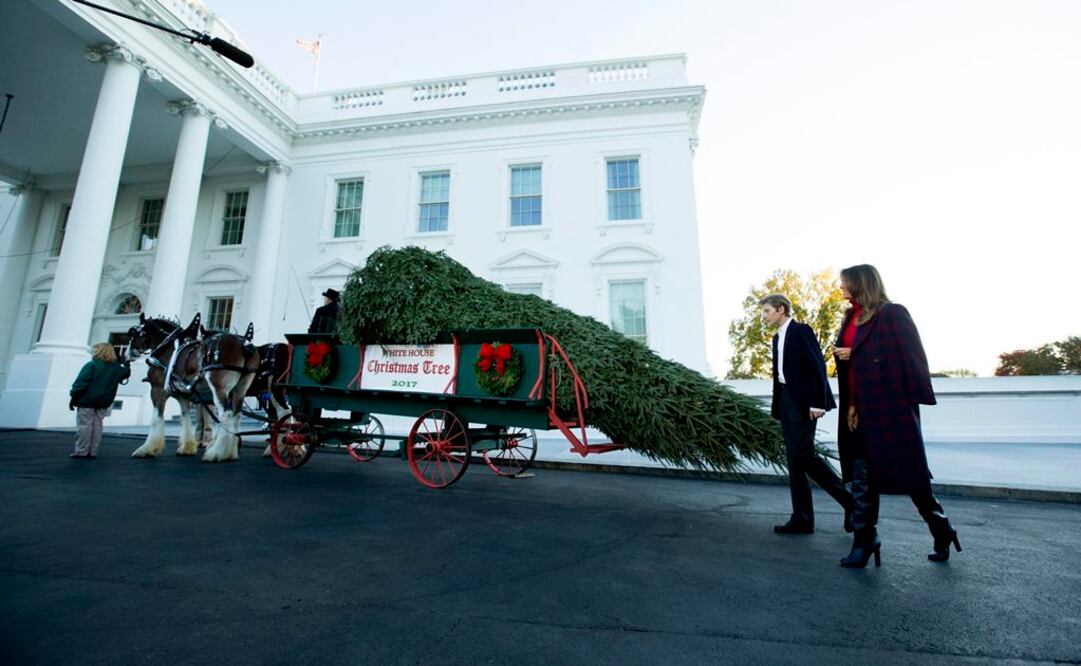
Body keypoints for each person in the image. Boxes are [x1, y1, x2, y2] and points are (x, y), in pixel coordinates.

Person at [832, 264, 961, 567]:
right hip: (859, 409)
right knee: (861, 478)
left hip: (890, 411)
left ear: (861, 283)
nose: (840, 287)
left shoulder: (892, 313)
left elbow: (909, 357)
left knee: (914, 480)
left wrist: (855, 353)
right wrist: (851, 404)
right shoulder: (850, 317)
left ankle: (942, 530)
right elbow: (853, 368)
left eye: (844, 282)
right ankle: (864, 540)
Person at [760, 294, 853, 535]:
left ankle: (851, 502)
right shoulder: (776, 338)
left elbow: (817, 366)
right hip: (785, 401)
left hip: (803, 402)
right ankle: (802, 518)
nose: (764, 316)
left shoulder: (802, 331)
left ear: (781, 309)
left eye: (767, 311)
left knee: (803, 454)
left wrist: (817, 402)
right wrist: (779, 405)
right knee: (794, 459)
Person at [69, 342, 131, 458]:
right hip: (104, 402)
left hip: (87, 401)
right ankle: (93, 451)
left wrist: (73, 397)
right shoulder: (116, 368)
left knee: (84, 426)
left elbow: (81, 383)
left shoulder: (91, 365)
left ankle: (82, 451)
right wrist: (126, 364)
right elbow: (126, 373)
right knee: (98, 426)